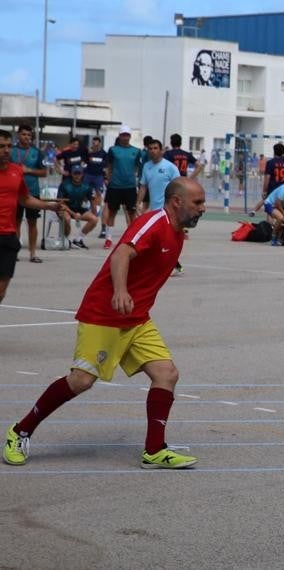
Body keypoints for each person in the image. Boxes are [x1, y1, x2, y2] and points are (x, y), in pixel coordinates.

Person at [3, 177, 206, 469]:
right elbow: (122, 252)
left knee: (167, 374)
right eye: (197, 203)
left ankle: (154, 450)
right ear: (177, 202)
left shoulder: (177, 232)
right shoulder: (154, 223)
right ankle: (19, 431)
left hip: (137, 319)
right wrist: (121, 291)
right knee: (81, 380)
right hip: (105, 314)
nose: (202, 208)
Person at [0, 130, 63, 304]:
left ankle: (32, 252)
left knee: (2, 290)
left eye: (8, 146)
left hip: (8, 236)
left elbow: (25, 198)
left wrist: (48, 206)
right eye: (1, 147)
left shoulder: (16, 172)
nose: (6, 151)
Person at [103, 127, 144, 249]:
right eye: (123, 135)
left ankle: (131, 239)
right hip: (115, 186)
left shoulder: (136, 151)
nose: (125, 137)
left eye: (127, 135)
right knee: (112, 212)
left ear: (130, 136)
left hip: (130, 186)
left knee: (132, 213)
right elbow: (109, 166)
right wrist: (109, 179)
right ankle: (108, 239)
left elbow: (137, 167)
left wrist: (132, 177)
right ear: (119, 136)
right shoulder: (113, 150)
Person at [13, 124, 46, 263]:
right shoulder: (11, 151)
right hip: (14, 191)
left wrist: (29, 170)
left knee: (32, 223)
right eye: (23, 134)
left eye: (29, 135)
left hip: (32, 192)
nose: (26, 137)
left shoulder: (37, 152)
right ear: (18, 135)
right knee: (15, 223)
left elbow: (44, 172)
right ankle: (14, 253)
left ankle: (33, 253)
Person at [57, 166, 98, 248]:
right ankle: (66, 239)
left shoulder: (87, 186)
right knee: (67, 219)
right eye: (75, 173)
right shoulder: (64, 184)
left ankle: (78, 239)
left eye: (79, 173)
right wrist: (73, 214)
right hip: (65, 209)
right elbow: (60, 203)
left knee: (94, 219)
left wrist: (94, 213)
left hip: (79, 209)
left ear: (82, 174)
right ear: (72, 174)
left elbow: (93, 202)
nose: (77, 176)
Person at [138, 139, 180, 215]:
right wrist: (137, 203)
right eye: (150, 149)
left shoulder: (170, 167)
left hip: (167, 210)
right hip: (153, 209)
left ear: (161, 150)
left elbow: (178, 188)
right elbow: (143, 187)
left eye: (155, 148)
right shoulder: (146, 166)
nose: (152, 151)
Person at [84, 137, 108, 229]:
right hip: (88, 174)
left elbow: (106, 166)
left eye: (96, 143)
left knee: (98, 192)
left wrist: (105, 177)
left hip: (99, 176)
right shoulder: (89, 153)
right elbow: (84, 163)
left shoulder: (104, 154)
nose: (94, 145)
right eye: (93, 143)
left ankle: (97, 209)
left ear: (100, 144)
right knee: (85, 190)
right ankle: (86, 206)